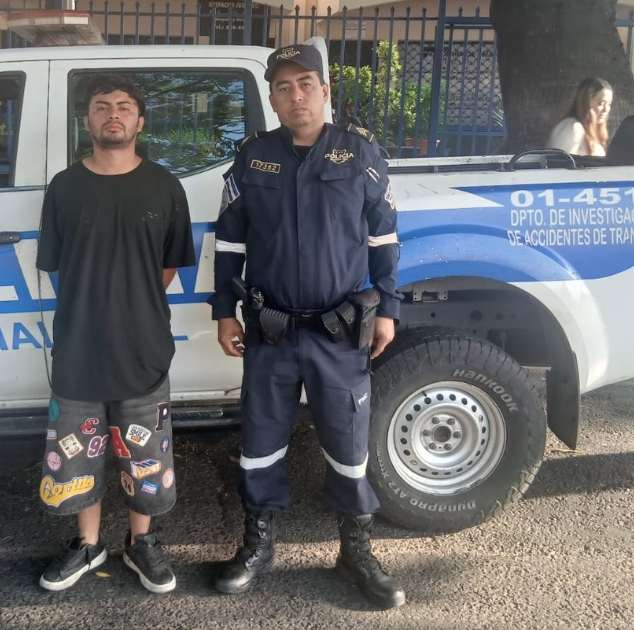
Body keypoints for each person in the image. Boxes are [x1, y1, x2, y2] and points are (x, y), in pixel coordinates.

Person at [209, 43, 405, 609]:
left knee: (347, 442)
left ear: (325, 91)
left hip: (338, 331)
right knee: (260, 440)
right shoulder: (252, 157)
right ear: (272, 98)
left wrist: (388, 307)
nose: (296, 96)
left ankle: (355, 549)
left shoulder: (361, 154)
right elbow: (229, 242)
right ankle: (257, 544)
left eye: (305, 84)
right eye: (284, 87)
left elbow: (384, 239)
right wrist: (223, 310)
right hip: (269, 330)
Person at [35, 75, 195, 594]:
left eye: (124, 106)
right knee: (78, 454)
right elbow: (56, 265)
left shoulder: (165, 186)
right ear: (87, 121)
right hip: (78, 345)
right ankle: (89, 545)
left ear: (139, 121)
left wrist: (131, 303)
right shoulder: (64, 187)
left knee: (143, 455)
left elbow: (169, 266)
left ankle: (140, 542)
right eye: (102, 106)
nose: (113, 114)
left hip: (143, 346)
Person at [546, 77, 613, 156]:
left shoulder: (592, 132)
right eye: (600, 103)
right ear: (586, 102)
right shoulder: (572, 127)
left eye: (609, 104)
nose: (606, 109)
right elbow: (560, 161)